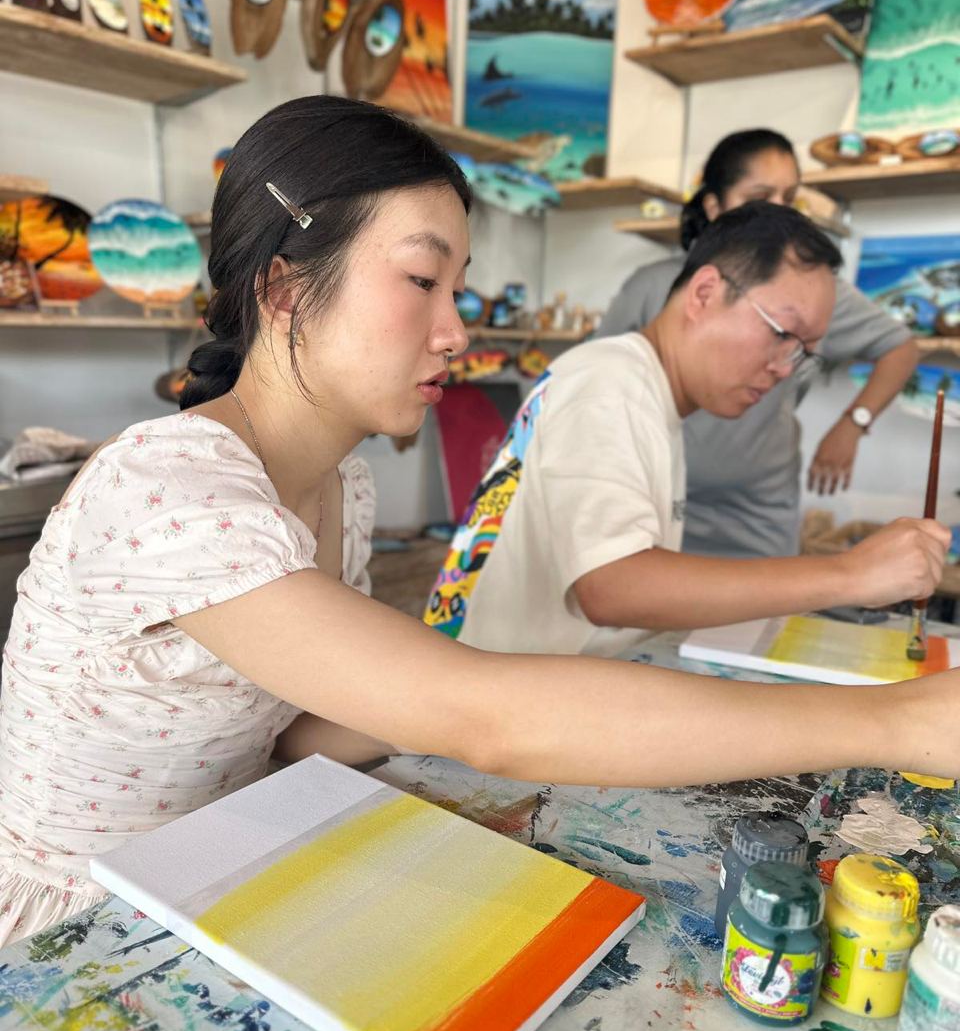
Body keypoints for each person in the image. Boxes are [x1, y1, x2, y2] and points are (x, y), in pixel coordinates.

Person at [0, 99, 956, 952]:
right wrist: (894, 721)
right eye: (423, 280)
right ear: (285, 288)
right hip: (80, 936)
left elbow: (293, 734)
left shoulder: (343, 487)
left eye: (457, 288)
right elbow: (488, 714)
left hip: (209, 878)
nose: (456, 331)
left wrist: (448, 694)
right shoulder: (169, 485)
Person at [423, 203, 947, 657]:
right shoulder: (609, 384)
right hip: (491, 706)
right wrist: (849, 575)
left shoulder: (649, 394)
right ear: (704, 293)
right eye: (783, 334)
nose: (785, 369)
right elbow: (613, 587)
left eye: (804, 354)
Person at [595, 129, 919, 559]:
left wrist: (852, 423)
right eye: (761, 196)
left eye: (791, 198)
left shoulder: (816, 293)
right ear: (701, 295)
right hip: (654, 502)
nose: (781, 368)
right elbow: (600, 388)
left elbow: (900, 347)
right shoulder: (649, 292)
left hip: (756, 515)